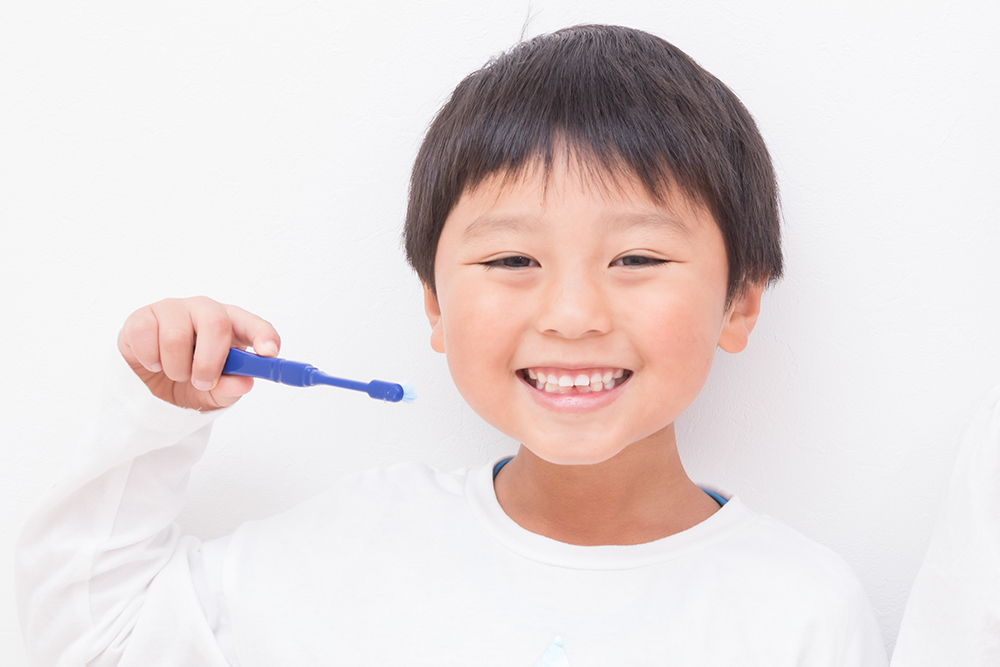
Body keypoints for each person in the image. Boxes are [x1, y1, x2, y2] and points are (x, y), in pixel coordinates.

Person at [16, 24, 888, 666]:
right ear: (434, 305)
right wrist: (151, 417)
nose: (573, 312)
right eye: (513, 258)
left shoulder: (799, 610)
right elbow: (87, 642)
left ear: (740, 301)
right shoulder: (361, 542)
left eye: (637, 257)